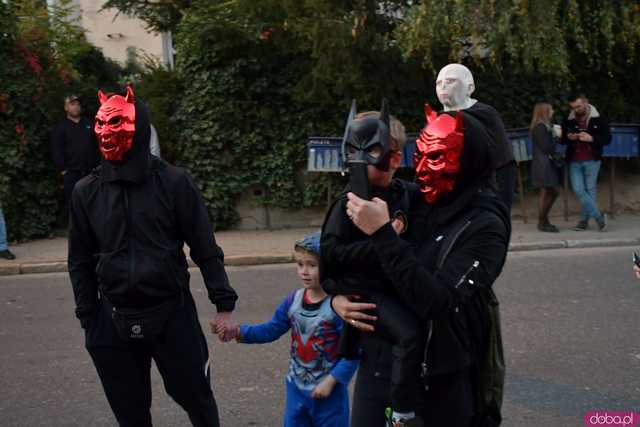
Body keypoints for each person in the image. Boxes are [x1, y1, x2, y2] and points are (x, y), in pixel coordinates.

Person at [68, 86, 238, 427]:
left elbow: (204, 247)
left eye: (114, 123)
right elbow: (80, 259)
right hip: (113, 318)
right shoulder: (87, 191)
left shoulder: (174, 183)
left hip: (171, 314)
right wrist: (90, 318)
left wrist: (224, 304)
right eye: (101, 124)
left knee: (198, 401)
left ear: (137, 127)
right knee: (130, 414)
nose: (104, 132)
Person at [332, 105, 511, 427]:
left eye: (437, 157)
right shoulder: (417, 198)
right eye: (421, 155)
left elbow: (438, 302)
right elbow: (335, 253)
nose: (423, 170)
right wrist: (336, 297)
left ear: (468, 161)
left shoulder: (485, 226)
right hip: (378, 364)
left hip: (439, 377)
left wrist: (383, 234)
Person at [320, 103, 424, 427]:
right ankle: (401, 412)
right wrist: (335, 297)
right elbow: (330, 258)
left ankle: (403, 411)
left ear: (394, 156)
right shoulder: (349, 203)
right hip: (374, 327)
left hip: (414, 346)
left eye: (373, 150)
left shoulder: (409, 196)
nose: (362, 161)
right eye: (355, 151)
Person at [223, 232, 358, 427]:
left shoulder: (339, 307)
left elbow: (353, 353)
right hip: (296, 391)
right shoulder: (293, 301)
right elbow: (271, 329)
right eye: (300, 264)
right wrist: (239, 332)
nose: (304, 271)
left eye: (312, 265)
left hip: (330, 397)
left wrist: (332, 381)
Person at [435, 63, 516, 209]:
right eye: (439, 83)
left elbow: (504, 162)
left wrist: (504, 208)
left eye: (450, 81)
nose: (443, 87)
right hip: (447, 202)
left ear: (470, 88)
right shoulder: (437, 121)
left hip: (481, 200)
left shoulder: (485, 115)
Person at [560, 94, 611, 231]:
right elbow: (563, 140)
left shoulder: (599, 119)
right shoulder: (569, 120)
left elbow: (607, 139)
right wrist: (569, 137)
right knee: (578, 189)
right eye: (573, 107)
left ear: (586, 103)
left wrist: (591, 139)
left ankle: (583, 222)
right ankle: (600, 218)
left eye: (578, 106)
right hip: (574, 160)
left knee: (590, 191)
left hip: (592, 160)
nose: (576, 110)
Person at [52, 94, 100, 207]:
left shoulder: (90, 124)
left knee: (94, 204)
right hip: (72, 174)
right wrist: (63, 171)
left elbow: (97, 146)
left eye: (78, 104)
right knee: (75, 206)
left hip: (91, 173)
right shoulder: (60, 127)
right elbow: (57, 150)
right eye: (72, 104)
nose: (76, 107)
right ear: (66, 107)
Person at [530, 103, 561, 232]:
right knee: (553, 191)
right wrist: (557, 136)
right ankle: (542, 221)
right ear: (545, 112)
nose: (553, 111)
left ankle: (543, 221)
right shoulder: (540, 127)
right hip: (544, 165)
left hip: (542, 163)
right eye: (551, 109)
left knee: (547, 192)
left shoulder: (540, 127)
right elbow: (546, 147)